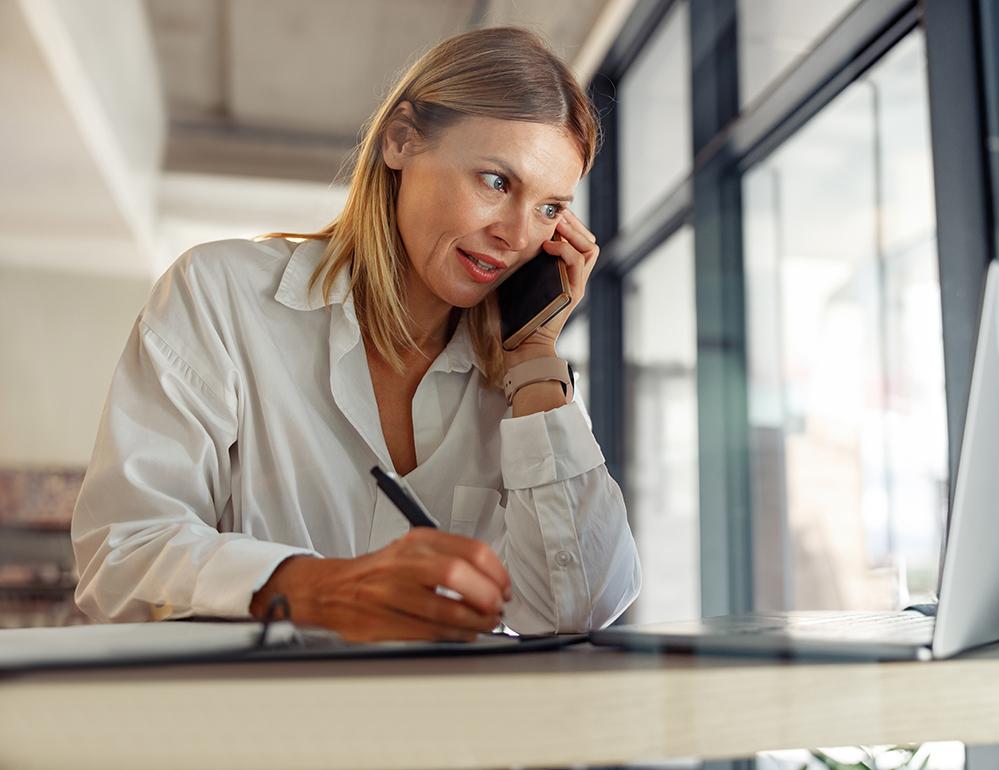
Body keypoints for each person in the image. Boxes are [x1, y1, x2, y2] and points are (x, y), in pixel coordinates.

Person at [71, 26, 641, 642]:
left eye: (550, 208)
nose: (516, 235)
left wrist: (534, 363)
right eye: (497, 182)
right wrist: (317, 589)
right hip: (258, 731)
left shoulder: (517, 376)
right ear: (401, 140)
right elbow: (121, 557)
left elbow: (578, 607)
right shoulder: (223, 296)